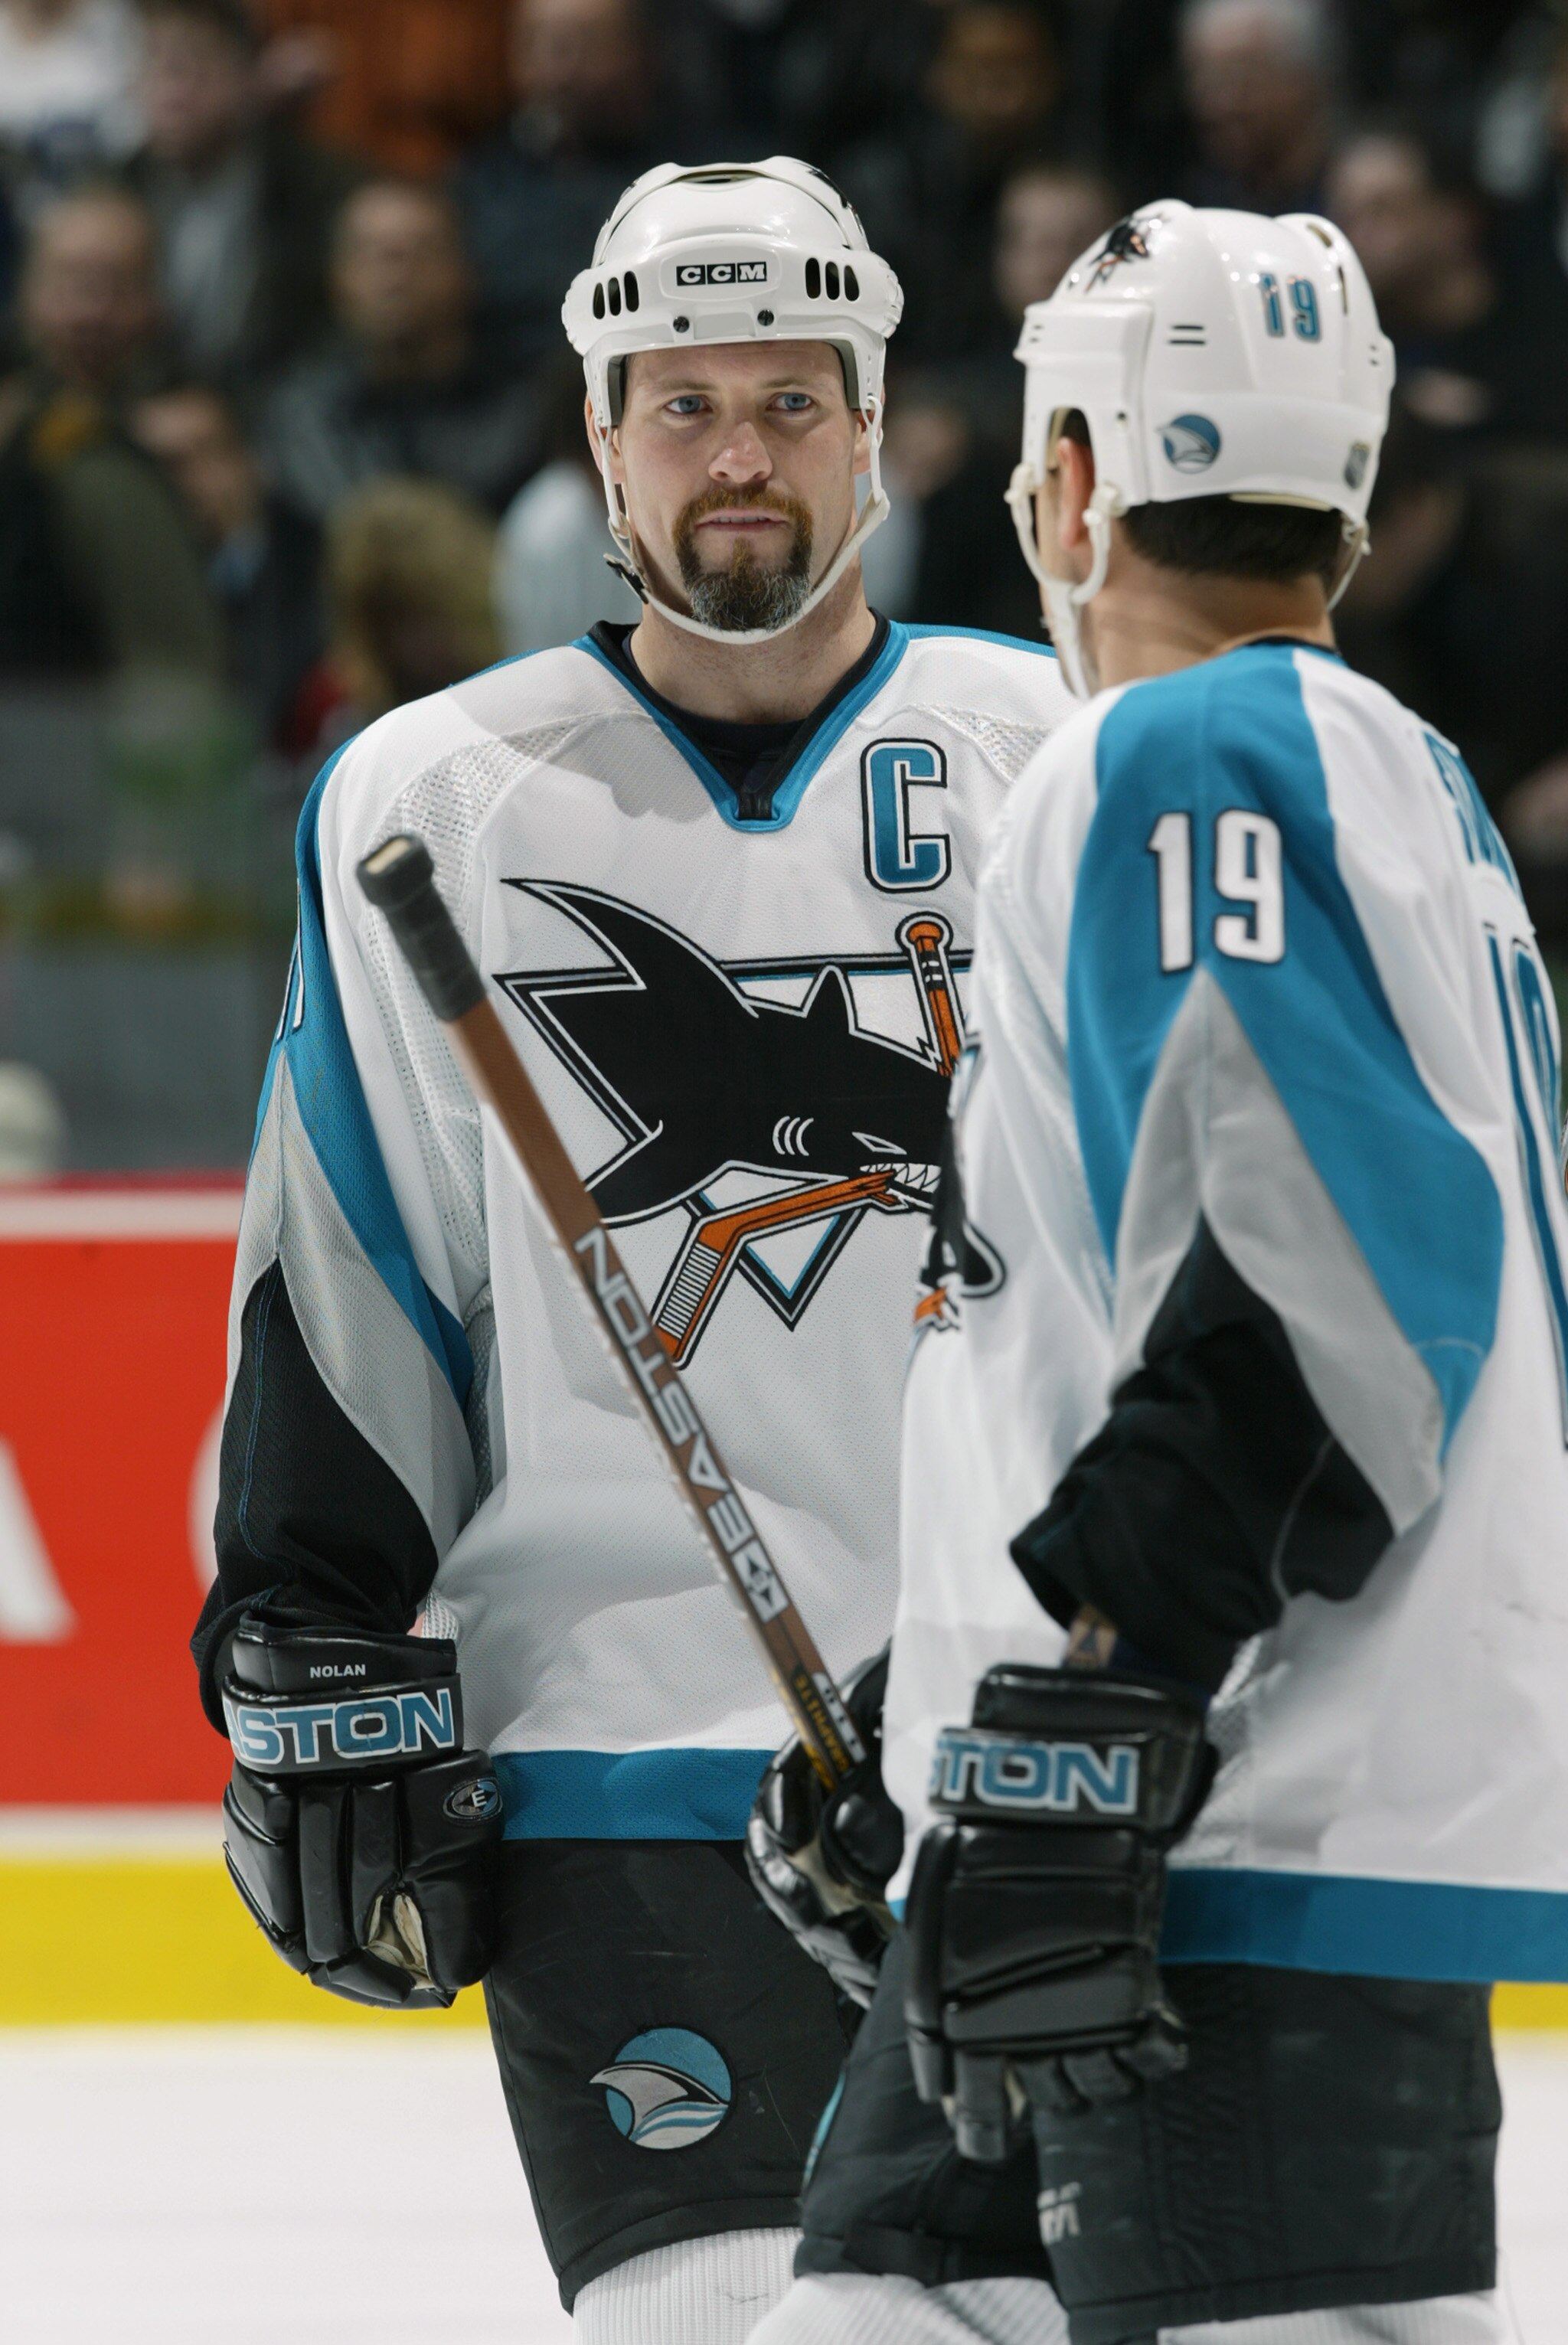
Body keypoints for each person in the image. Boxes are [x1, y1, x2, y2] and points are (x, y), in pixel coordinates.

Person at [190, 156, 1070, 2344]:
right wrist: (292, 1620)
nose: (740, 453)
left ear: (878, 426)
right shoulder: (435, 799)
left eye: (793, 396)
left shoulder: (1059, 760)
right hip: (623, 1750)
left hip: (1012, 1754)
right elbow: (354, 1252)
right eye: (683, 405)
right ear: (599, 436)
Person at [750, 199, 1565, 2343]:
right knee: (874, 2304)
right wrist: (947, 1709)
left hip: (1232, 1793)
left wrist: (1097, 1695)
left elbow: (1345, 1286)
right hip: (1194, 1777)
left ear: (1080, 471)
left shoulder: (1183, 751)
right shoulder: (1397, 778)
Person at [0, 184, 220, 678]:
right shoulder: (12, 414)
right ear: (29, 293)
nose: (88, 313)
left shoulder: (207, 424)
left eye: (114, 286)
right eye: (68, 284)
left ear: (155, 298)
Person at [260, 175, 538, 522]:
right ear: (337, 278)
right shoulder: (302, 414)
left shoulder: (521, 412)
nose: (394, 274)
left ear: (466, 273)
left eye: (418, 251)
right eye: (370, 253)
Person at [122, 0, 361, 390]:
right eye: (154, 61)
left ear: (248, 74)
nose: (173, 87)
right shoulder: (115, 190)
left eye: (193, 64)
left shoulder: (321, 189)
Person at [451, 0, 658, 372]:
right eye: (540, 45)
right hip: (504, 398)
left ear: (635, 51)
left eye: (584, 45)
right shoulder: (481, 180)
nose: (561, 70)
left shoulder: (680, 177)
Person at [131, 380, 324, 748]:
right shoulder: (118, 580)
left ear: (251, 461)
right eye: (164, 466)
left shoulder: (319, 566)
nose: (186, 483)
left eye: (206, 454)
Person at [1180, 0, 1335, 214]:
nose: (1219, 103)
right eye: (1205, 80)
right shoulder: (1197, 206)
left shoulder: (1356, 206)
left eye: (1242, 78)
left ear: (1304, 78)